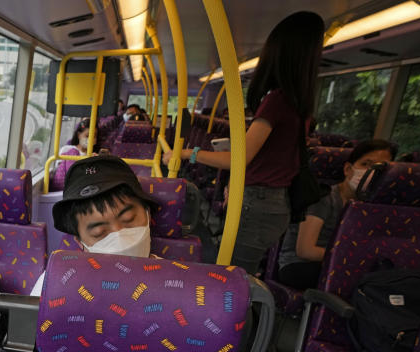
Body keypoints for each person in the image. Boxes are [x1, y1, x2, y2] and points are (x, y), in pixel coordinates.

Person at [164, 11, 326, 276]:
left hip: (259, 204)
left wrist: (186, 153)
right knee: (238, 275)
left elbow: (238, 160)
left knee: (231, 280)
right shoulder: (299, 104)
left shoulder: (277, 101)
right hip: (271, 202)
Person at [32, 153, 161, 296]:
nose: (120, 238)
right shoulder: (54, 285)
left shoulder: (178, 282)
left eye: (128, 219)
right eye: (99, 232)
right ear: (80, 242)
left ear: (148, 214)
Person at [277, 139, 396, 289]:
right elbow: (305, 250)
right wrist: (351, 257)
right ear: (347, 169)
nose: (371, 173)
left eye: (379, 170)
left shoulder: (371, 208)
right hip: (299, 265)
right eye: (365, 164)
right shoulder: (324, 198)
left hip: (339, 264)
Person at [52, 118, 99, 189]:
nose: (91, 139)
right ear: (79, 135)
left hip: (81, 187)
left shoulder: (94, 156)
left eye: (94, 136)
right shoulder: (67, 149)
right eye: (87, 136)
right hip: (65, 186)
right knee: (73, 152)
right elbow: (59, 170)